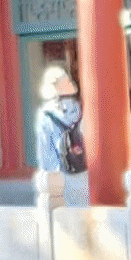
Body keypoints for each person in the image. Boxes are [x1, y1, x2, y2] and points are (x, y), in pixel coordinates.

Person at [35, 65, 88, 202]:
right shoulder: (81, 108)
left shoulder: (45, 115)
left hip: (60, 178)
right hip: (83, 173)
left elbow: (45, 153)